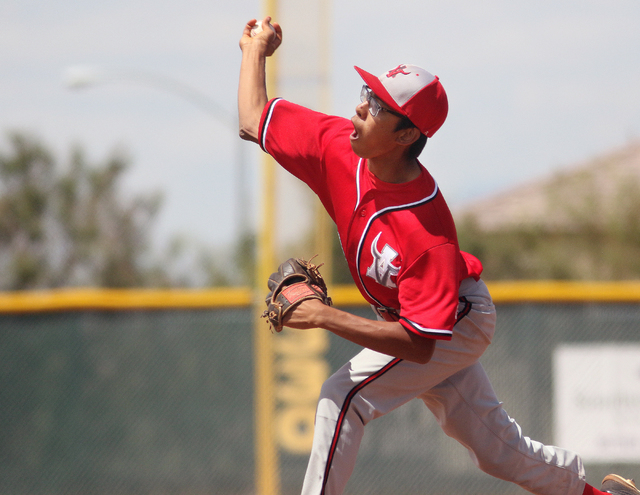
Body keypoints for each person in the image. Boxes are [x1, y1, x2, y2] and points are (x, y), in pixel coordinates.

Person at [237, 16, 638, 495]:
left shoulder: (426, 229)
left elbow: (421, 344)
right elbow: (253, 118)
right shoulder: (337, 147)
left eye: (378, 106)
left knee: (342, 397)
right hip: (414, 320)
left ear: (407, 135)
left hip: (455, 319)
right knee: (496, 450)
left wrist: (324, 317)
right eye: (367, 94)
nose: (360, 108)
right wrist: (254, 49)